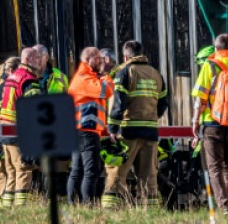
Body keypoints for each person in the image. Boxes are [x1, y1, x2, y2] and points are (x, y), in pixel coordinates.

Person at [102, 40, 168, 208]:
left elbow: (119, 103)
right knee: (148, 175)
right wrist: (151, 117)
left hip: (128, 130)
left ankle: (111, 208)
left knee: (117, 171)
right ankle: (150, 209)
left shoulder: (124, 72)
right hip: (151, 131)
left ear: (125, 56)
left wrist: (112, 128)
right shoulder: (156, 74)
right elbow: (163, 103)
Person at [191, 33, 228, 214]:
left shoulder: (210, 66)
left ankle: (224, 207)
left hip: (213, 123)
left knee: (215, 167)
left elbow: (201, 97)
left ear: (216, 49)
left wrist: (195, 121)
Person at [0, 46, 44, 206]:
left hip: (5, 130)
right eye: (37, 58)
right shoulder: (29, 80)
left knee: (11, 171)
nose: (40, 62)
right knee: (24, 169)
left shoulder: (12, 77)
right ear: (29, 59)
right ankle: (21, 208)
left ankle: (7, 206)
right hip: (19, 132)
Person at [66, 46, 114, 204]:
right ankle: (88, 205)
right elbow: (106, 91)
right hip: (85, 132)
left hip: (80, 131)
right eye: (98, 58)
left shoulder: (87, 77)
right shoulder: (84, 78)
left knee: (77, 170)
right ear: (88, 60)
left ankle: (74, 203)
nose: (101, 61)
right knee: (91, 171)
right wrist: (106, 75)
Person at [0, 56, 20, 207]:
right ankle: (6, 202)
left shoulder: (1, 85)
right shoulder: (8, 86)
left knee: (3, 171)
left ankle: (0, 203)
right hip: (6, 135)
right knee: (10, 170)